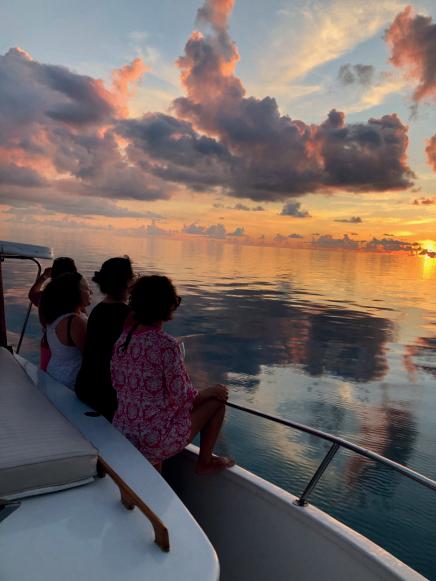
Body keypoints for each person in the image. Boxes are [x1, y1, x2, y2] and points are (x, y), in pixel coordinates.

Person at [111, 275, 235, 473]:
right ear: (167, 306)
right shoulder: (166, 345)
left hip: (123, 430)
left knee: (159, 415)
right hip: (152, 440)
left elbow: (118, 383)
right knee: (217, 400)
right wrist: (211, 391)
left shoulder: (124, 338)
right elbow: (184, 397)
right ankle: (205, 462)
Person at [75, 257, 134, 421]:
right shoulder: (129, 316)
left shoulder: (98, 310)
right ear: (126, 283)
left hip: (86, 386)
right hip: (107, 395)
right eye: (133, 277)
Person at [39, 272, 92, 389]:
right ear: (75, 293)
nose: (91, 292)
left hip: (54, 377)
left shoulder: (55, 315)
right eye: (87, 288)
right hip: (69, 386)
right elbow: (91, 356)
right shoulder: (75, 322)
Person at [28, 256, 78, 370]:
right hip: (69, 348)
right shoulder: (74, 299)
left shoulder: (45, 297)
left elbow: (32, 294)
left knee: (46, 375)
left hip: (48, 344)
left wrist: (44, 276)